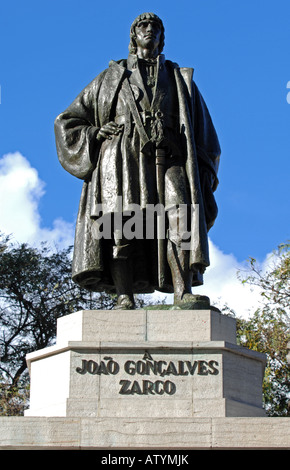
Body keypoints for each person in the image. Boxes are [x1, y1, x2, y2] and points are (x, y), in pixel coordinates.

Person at [54, 12, 221, 310]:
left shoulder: (178, 78)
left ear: (162, 37)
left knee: (179, 216)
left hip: (170, 156)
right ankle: (124, 295)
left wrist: (203, 174)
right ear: (133, 36)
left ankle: (182, 292)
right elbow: (67, 121)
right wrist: (94, 132)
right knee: (123, 224)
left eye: (155, 27)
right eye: (143, 26)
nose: (149, 31)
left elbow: (205, 135)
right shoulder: (111, 77)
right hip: (121, 158)